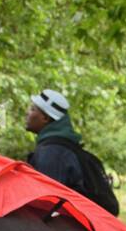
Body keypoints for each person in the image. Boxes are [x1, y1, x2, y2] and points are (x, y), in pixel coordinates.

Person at [24, 88, 120, 216]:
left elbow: (45, 207)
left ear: (45, 118)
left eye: (32, 109)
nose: (27, 113)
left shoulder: (51, 154)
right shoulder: (64, 149)